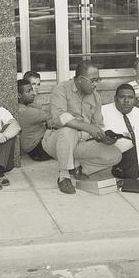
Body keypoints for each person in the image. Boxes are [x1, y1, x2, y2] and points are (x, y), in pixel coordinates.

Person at [42, 60, 122, 194]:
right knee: (68, 130)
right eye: (93, 80)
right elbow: (59, 118)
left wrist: (102, 137)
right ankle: (64, 176)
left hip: (81, 141)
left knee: (115, 155)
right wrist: (88, 128)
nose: (96, 84)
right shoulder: (61, 89)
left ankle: (79, 167)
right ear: (80, 79)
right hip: (55, 140)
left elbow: (98, 125)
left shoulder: (96, 96)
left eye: (98, 79)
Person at [102, 84, 139, 180]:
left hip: (135, 156)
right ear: (115, 99)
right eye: (122, 97)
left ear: (135, 100)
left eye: (130, 97)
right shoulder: (103, 112)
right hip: (113, 156)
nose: (126, 101)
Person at [18, 78, 52, 161]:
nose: (33, 93)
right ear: (19, 95)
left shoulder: (23, 107)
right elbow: (51, 116)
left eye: (32, 90)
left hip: (34, 148)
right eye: (28, 92)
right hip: (38, 149)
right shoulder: (26, 111)